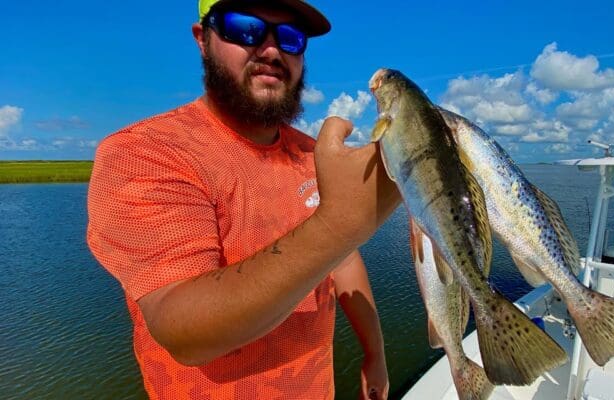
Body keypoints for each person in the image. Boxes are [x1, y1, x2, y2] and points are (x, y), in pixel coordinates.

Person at [86, 0, 400, 398]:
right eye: (244, 28)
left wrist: (375, 352)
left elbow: (342, 257)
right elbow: (184, 332)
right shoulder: (146, 153)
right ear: (203, 39)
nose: (271, 51)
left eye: (290, 37)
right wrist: (339, 224)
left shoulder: (313, 154)